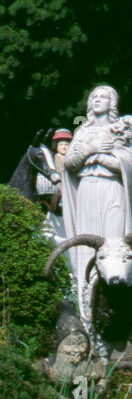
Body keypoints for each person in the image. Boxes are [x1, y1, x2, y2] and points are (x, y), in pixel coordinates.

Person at [61, 86, 132, 319]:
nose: (98, 100)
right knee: (87, 244)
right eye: (94, 97)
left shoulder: (122, 129)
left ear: (112, 104)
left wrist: (101, 157)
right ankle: (87, 305)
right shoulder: (83, 132)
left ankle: (118, 308)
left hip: (112, 188)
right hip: (87, 191)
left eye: (104, 97)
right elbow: (70, 163)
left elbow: (127, 163)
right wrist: (91, 149)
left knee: (115, 244)